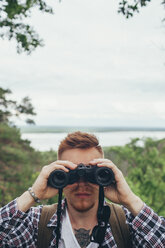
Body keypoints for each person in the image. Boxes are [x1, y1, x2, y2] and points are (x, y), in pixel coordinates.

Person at [0, 131, 165, 248]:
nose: (82, 183)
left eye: (92, 173)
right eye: (69, 174)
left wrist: (130, 199)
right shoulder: (37, 222)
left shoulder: (128, 222)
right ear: (57, 176)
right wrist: (33, 194)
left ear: (106, 175)